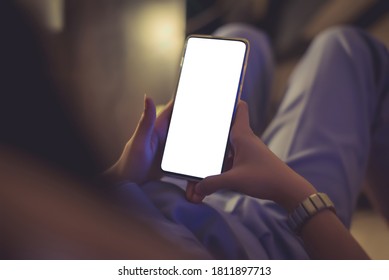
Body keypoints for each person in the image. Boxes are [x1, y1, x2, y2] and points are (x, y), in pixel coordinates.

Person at [104, 23, 389, 259]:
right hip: (274, 241)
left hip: (168, 190)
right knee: (346, 48)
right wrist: (293, 192)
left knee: (240, 37)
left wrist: (122, 173)